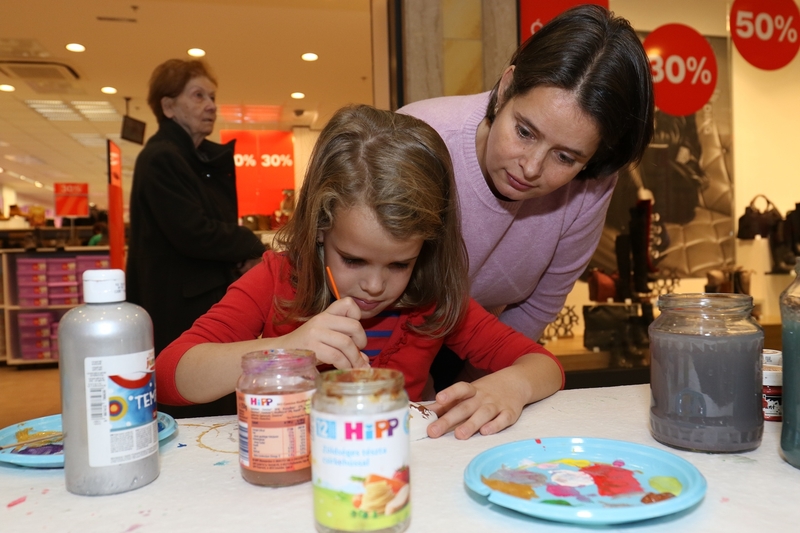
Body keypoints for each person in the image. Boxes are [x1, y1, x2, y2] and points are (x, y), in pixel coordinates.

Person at [155, 105, 564, 438]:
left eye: (400, 264)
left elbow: (544, 365)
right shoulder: (277, 279)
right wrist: (288, 351)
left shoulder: (433, 300)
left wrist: (511, 385)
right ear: (320, 228)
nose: (374, 285)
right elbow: (170, 375)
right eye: (353, 260)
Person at [398, 4, 654, 388]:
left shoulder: (592, 184)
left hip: (481, 350)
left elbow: (537, 307)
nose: (531, 168)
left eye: (565, 157)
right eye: (524, 132)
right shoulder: (420, 140)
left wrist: (471, 391)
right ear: (505, 89)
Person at [127, 59, 265, 416]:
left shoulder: (197, 161)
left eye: (213, 96)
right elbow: (194, 232)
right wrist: (251, 244)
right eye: (198, 95)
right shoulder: (161, 158)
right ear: (168, 106)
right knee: (189, 398)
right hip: (179, 306)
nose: (211, 105)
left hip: (201, 298)